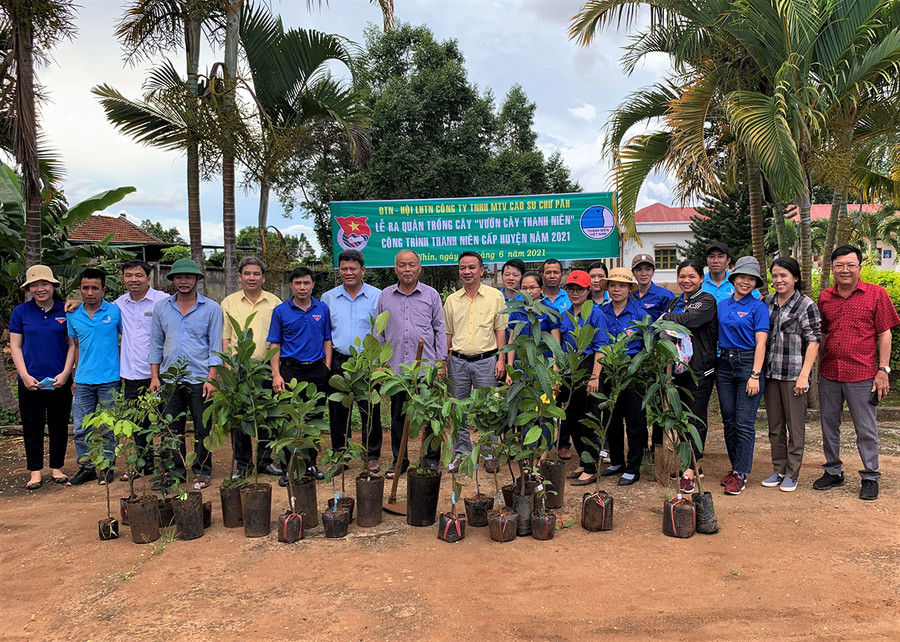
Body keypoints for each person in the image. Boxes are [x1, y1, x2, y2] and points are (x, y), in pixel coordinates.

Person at [815, 245, 899, 500]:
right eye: (839, 265)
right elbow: (823, 332)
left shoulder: (876, 294)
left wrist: (883, 369)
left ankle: (870, 476)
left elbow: (885, 332)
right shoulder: (825, 297)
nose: (845, 270)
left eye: (851, 265)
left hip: (862, 373)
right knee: (829, 424)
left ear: (859, 267)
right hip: (829, 371)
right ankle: (833, 471)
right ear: (832, 268)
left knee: (866, 428)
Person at [149, 258, 223, 490]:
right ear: (172, 280)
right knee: (171, 428)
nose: (183, 281)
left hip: (200, 378)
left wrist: (212, 378)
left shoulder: (211, 308)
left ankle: (202, 469)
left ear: (197, 280)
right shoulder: (162, 308)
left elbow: (215, 346)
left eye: (188, 277)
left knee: (203, 428)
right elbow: (156, 344)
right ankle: (176, 471)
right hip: (170, 379)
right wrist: (154, 376)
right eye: (178, 277)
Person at [377, 250, 448, 477]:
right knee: (398, 417)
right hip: (397, 369)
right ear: (395, 269)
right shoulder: (385, 296)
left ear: (419, 268)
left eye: (411, 265)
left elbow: (439, 329)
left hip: (426, 369)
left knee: (431, 415)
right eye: (402, 265)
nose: (407, 269)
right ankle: (400, 460)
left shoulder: (431, 295)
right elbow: (379, 331)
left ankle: (431, 459)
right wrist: (380, 363)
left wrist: (440, 361)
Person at [9, 265, 75, 489]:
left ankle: (57, 468)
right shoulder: (21, 312)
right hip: (30, 382)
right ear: (29, 288)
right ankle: (35, 471)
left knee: (59, 426)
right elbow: (15, 346)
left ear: (53, 286)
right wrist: (25, 375)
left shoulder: (65, 311)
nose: (40, 289)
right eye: (34, 285)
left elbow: (72, 345)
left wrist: (66, 373)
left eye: (44, 284)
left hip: (59, 380)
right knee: (32, 426)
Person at [761, 257, 820, 493]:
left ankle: (792, 473)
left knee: (795, 427)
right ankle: (779, 468)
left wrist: (804, 375)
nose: (778, 280)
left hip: (794, 374)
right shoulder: (766, 302)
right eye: (775, 275)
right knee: (775, 426)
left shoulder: (806, 305)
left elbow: (814, 341)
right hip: (771, 374)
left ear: (795, 277)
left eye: (784, 275)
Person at [659, 260, 719, 494]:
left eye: (692, 276)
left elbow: (688, 322)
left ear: (701, 279)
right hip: (679, 371)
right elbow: (667, 335)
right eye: (682, 276)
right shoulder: (676, 301)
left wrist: (667, 317)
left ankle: (689, 472)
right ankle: (693, 463)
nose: (686, 280)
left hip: (700, 371)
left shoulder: (706, 300)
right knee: (681, 417)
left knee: (696, 418)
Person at [268, 266, 332, 483]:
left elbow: (327, 339)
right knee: (289, 421)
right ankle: (288, 467)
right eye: (298, 283)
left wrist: (327, 367)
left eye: (306, 283)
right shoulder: (280, 311)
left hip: (316, 370)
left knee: (314, 421)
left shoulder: (322, 308)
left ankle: (310, 463)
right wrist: (276, 374)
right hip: (290, 371)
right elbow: (274, 344)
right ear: (291, 285)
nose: (302, 287)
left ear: (313, 285)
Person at [444, 251, 507, 469]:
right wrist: (444, 362)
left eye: (472, 267)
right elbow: (448, 334)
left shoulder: (495, 296)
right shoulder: (452, 300)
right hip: (458, 362)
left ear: (481, 270)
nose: (467, 271)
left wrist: (501, 360)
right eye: (463, 268)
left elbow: (500, 330)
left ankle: (489, 454)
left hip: (487, 360)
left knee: (488, 409)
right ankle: (462, 453)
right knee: (458, 410)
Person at [322, 250, 383, 474]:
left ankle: (372, 455)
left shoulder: (378, 296)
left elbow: (382, 331)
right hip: (338, 361)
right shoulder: (328, 298)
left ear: (362, 270)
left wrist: (379, 364)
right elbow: (326, 332)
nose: (349, 273)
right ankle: (340, 455)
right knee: (338, 411)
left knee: (370, 410)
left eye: (353, 268)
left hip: (367, 362)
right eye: (344, 269)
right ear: (339, 271)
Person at [221, 256, 283, 479]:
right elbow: (226, 337)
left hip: (266, 367)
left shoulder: (275, 302)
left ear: (263, 278)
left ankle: (265, 460)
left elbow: (279, 337)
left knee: (266, 416)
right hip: (239, 369)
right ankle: (243, 464)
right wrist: (228, 365)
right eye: (247, 273)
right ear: (239, 277)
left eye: (256, 274)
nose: (251, 277)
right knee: (240, 419)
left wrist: (276, 369)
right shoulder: (228, 302)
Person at [716, 256, 769, 496]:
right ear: (733, 278)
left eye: (751, 279)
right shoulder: (722, 305)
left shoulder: (758, 307)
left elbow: (761, 344)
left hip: (749, 364)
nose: (745, 282)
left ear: (755, 283)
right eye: (742, 277)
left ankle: (741, 473)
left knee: (744, 423)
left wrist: (755, 375)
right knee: (728, 421)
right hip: (724, 365)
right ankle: (735, 467)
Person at [67, 268, 122, 486]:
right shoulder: (73, 314)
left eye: (95, 288)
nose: (90, 292)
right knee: (81, 428)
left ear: (103, 289)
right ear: (80, 289)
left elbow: (126, 340)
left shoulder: (115, 312)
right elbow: (76, 345)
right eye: (85, 288)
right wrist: (74, 375)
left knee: (110, 427)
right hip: (83, 381)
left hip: (110, 379)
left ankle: (108, 466)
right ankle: (87, 467)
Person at [115, 260, 169, 480]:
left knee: (166, 419)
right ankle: (143, 463)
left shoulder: (163, 302)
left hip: (161, 373)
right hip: (132, 373)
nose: (133, 280)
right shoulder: (118, 304)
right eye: (129, 275)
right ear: (124, 279)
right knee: (138, 422)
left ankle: (167, 464)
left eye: (138, 275)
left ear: (149, 278)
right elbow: (96, 312)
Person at [597, 268, 648, 486]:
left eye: (622, 285)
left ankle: (633, 466)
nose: (617, 289)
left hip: (632, 373)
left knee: (635, 420)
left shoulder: (640, 314)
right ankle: (616, 461)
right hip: (609, 370)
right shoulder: (601, 312)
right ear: (607, 288)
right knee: (612, 419)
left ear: (629, 289)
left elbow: (648, 346)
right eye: (613, 285)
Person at [556, 271, 607, 486]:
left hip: (588, 370)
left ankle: (591, 466)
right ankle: (583, 461)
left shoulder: (596, 315)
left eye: (579, 289)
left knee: (590, 420)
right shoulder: (565, 315)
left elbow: (601, 348)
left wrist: (595, 376)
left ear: (588, 290)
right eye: (571, 289)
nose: (575, 293)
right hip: (570, 372)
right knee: (572, 419)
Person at [631, 254, 675, 321]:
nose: (643, 274)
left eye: (648, 269)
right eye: (639, 269)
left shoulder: (665, 295)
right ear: (633, 273)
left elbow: (670, 322)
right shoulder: (629, 295)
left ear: (653, 272)